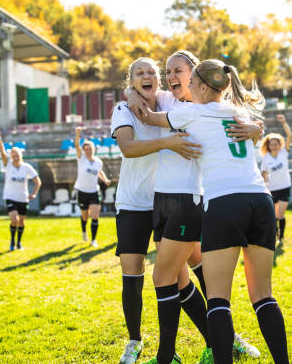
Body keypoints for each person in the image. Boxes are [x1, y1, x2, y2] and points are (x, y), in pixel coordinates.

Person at [142, 59, 289, 364]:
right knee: (263, 295)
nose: (189, 87)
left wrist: (132, 99)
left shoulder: (191, 112)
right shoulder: (238, 112)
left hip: (225, 202)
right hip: (261, 201)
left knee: (219, 298)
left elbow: (148, 117)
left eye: (192, 83)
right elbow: (256, 129)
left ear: (205, 87)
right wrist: (257, 128)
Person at [112, 57, 202, 364]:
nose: (147, 76)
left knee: (183, 274)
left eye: (152, 72)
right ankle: (134, 341)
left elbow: (196, 95)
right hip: (133, 203)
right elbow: (128, 148)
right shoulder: (123, 109)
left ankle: (223, 336)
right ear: (132, 79)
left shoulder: (168, 99)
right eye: (139, 73)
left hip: (167, 202)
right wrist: (169, 142)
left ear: (159, 81)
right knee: (132, 272)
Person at [0, 129, 41, 251]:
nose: (15, 157)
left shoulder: (26, 167)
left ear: (21, 156)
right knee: (14, 219)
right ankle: (12, 241)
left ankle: (19, 242)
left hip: (23, 198)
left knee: (21, 221)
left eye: (17, 155)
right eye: (13, 155)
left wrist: (34, 193)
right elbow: (2, 151)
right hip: (10, 197)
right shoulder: (8, 164)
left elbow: (37, 181)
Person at [73, 127, 111, 247]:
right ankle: (84, 231)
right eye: (86, 149)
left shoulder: (98, 162)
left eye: (90, 149)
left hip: (94, 191)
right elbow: (77, 146)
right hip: (81, 191)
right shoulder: (81, 159)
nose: (88, 151)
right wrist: (78, 134)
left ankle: (93, 240)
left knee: (95, 215)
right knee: (85, 215)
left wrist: (105, 180)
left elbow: (99, 172)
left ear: (93, 150)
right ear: (84, 151)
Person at [260, 114, 292, 246]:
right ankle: (274, 236)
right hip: (272, 189)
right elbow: (263, 172)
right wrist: (266, 184)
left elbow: (289, 136)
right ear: (268, 145)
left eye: (275, 143)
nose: (273, 146)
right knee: (273, 217)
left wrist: (284, 122)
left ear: (279, 144)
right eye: (271, 144)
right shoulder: (265, 158)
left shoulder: (284, 152)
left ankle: (281, 237)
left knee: (280, 215)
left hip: (285, 187)